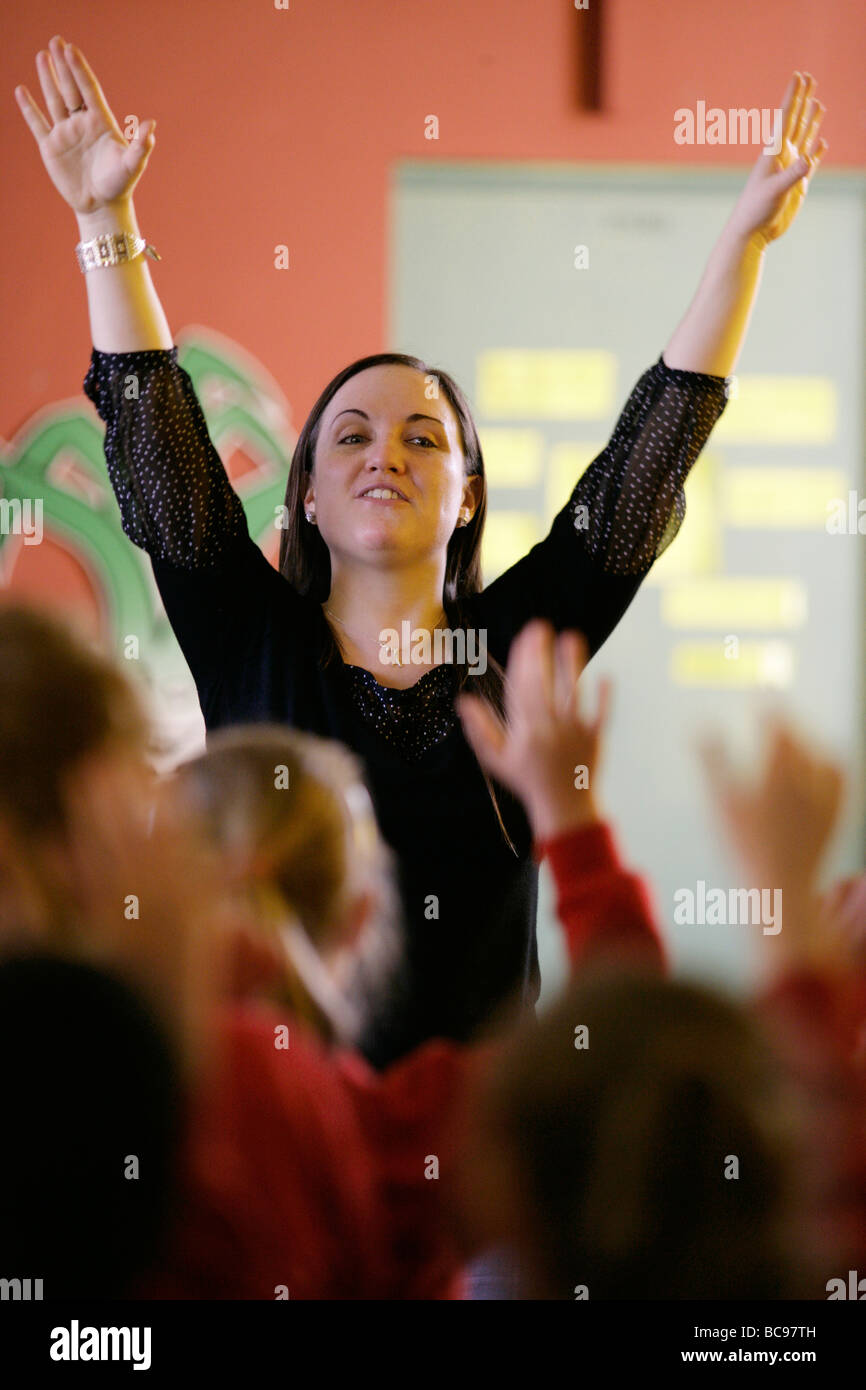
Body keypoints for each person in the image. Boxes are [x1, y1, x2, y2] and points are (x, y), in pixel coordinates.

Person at [15, 37, 826, 1064]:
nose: (382, 455)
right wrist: (103, 218)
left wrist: (739, 252)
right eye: (349, 435)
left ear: (465, 494)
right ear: (305, 494)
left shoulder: (514, 647)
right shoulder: (248, 633)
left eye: (421, 437)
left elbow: (646, 459)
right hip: (303, 1140)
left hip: (485, 1160)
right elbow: (156, 436)